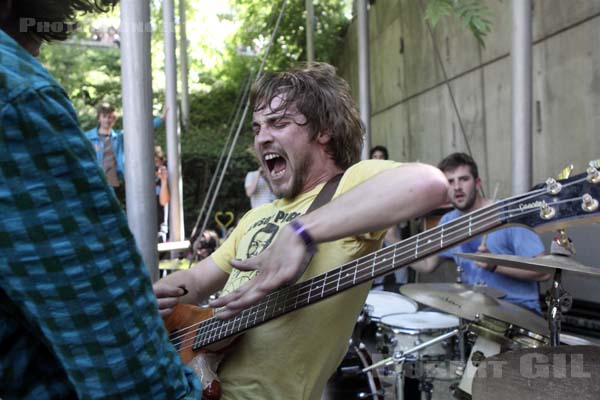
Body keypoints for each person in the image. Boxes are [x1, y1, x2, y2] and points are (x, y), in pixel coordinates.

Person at [153, 62, 448, 399]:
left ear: (322, 130)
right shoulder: (256, 217)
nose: (263, 136)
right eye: (257, 127)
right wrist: (154, 298)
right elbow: (191, 284)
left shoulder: (347, 188)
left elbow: (429, 184)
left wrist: (300, 231)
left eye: (278, 123)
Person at [0, 2, 201, 398]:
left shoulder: (117, 137)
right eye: (36, 37)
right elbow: (133, 378)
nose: (36, 52)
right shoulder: (20, 97)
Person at [411, 152, 550, 312]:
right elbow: (428, 265)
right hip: (475, 308)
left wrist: (495, 266)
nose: (457, 187)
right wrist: (392, 239)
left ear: (477, 183)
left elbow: (544, 272)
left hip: (517, 308)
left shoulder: (508, 215)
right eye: (450, 181)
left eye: (463, 179)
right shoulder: (448, 222)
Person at [85, 102, 165, 206]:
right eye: (104, 117)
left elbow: (140, 130)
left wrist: (161, 118)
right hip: (94, 181)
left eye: (110, 117)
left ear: (114, 119)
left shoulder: (118, 137)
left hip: (113, 182)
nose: (107, 120)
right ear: (98, 118)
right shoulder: (88, 137)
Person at [368, 145, 409, 291]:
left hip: (392, 226)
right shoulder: (366, 181)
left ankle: (400, 287)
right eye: (375, 157)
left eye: (381, 157)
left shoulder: (394, 178)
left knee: (398, 259)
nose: (378, 160)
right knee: (375, 262)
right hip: (374, 229)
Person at [155, 146, 170, 243]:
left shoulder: (163, 180)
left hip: (159, 232)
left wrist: (163, 181)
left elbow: (164, 201)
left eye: (156, 163)